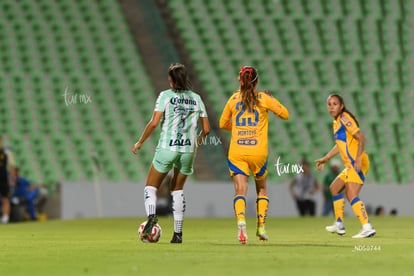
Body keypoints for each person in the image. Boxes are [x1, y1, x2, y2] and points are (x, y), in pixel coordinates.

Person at [132, 63, 210, 243]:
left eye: (169, 77)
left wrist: (140, 142)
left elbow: (153, 123)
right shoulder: (197, 98)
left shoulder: (165, 96)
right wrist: (196, 143)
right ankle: (178, 234)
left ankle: (152, 216)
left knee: (150, 187)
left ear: (173, 80)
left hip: (168, 148)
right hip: (188, 150)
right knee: (177, 190)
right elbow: (206, 129)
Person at [219, 66, 289, 244]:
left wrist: (239, 129)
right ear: (256, 81)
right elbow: (285, 114)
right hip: (258, 151)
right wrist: (272, 98)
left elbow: (222, 123)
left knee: (240, 190)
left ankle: (241, 222)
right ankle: (261, 226)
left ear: (239, 81)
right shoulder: (264, 98)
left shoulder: (233, 99)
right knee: (262, 189)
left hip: (238, 151)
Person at [315, 94, 376, 238]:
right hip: (351, 164)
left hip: (357, 161)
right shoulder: (336, 123)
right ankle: (339, 224)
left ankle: (367, 226)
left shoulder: (344, 118)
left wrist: (359, 159)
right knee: (334, 188)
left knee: (351, 194)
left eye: (335, 104)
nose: (331, 107)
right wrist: (326, 158)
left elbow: (361, 137)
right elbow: (340, 145)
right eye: (329, 104)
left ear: (341, 106)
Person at [0, 136, 15, 224]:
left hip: (3, 179)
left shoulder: (7, 152)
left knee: (5, 198)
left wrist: (12, 179)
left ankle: (5, 218)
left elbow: (12, 165)